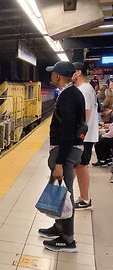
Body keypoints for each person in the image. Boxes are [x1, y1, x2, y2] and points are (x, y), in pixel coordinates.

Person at [39, 61, 84, 252]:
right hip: (67, 149)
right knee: (60, 190)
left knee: (66, 193)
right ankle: (58, 227)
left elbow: (67, 131)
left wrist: (59, 162)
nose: (50, 76)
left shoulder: (68, 96)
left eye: (52, 73)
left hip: (65, 151)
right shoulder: (70, 93)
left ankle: (68, 239)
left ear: (58, 76)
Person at [72, 62, 98, 210]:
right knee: (80, 166)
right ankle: (83, 197)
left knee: (80, 166)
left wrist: (77, 135)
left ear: (78, 72)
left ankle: (84, 198)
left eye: (72, 72)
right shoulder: (87, 88)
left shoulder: (84, 90)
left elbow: (85, 114)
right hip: (86, 136)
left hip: (84, 137)